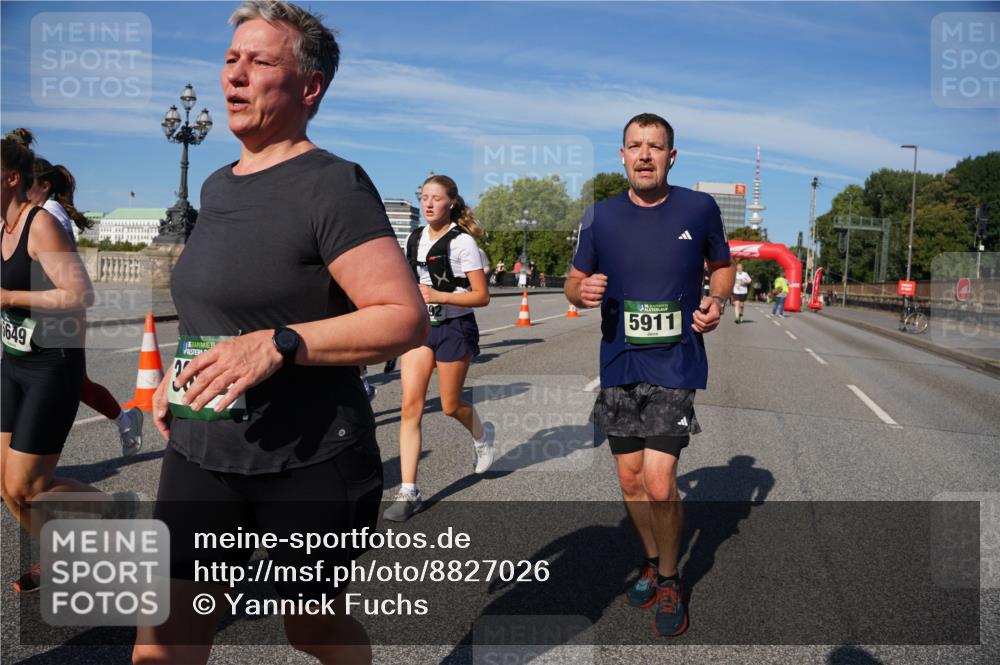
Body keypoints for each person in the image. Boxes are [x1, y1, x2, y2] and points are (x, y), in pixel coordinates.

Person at [133, 3, 427, 663]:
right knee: (163, 643)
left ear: (308, 87)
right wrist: (183, 375)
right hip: (201, 448)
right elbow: (217, 299)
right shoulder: (216, 183)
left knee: (311, 628)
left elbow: (404, 316)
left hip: (310, 458)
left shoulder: (333, 185)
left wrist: (278, 342)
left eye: (260, 62)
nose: (234, 76)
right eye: (231, 59)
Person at [565, 113, 733, 637]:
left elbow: (721, 265)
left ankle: (668, 578)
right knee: (630, 479)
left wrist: (716, 298)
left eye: (655, 147)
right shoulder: (600, 217)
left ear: (671, 156)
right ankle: (649, 557)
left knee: (660, 483)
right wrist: (581, 292)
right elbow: (574, 282)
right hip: (618, 360)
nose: (644, 155)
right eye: (635, 146)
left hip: (675, 359)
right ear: (621, 156)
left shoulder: (699, 208)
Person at [1, 128, 139, 594]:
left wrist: (8, 297)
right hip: (14, 361)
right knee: (8, 488)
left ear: (11, 178)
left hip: (50, 365)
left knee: (29, 486)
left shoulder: (41, 223)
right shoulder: (3, 227)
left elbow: (81, 294)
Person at [384, 174, 495, 522]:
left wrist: (439, 296)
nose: (429, 203)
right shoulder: (414, 238)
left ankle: (481, 435)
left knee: (449, 405)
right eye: (424, 198)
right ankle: (409, 490)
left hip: (455, 327)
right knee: (410, 408)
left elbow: (482, 296)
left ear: (451, 203)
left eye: (436, 198)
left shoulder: (463, 244)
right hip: (422, 329)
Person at [27, 157, 144, 456]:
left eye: (28, 182)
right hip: (42, 312)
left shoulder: (49, 214)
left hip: (59, 313)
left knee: (72, 383)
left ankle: (125, 420)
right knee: (72, 383)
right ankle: (126, 420)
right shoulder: (37, 211)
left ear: (44, 186)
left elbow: (60, 271)